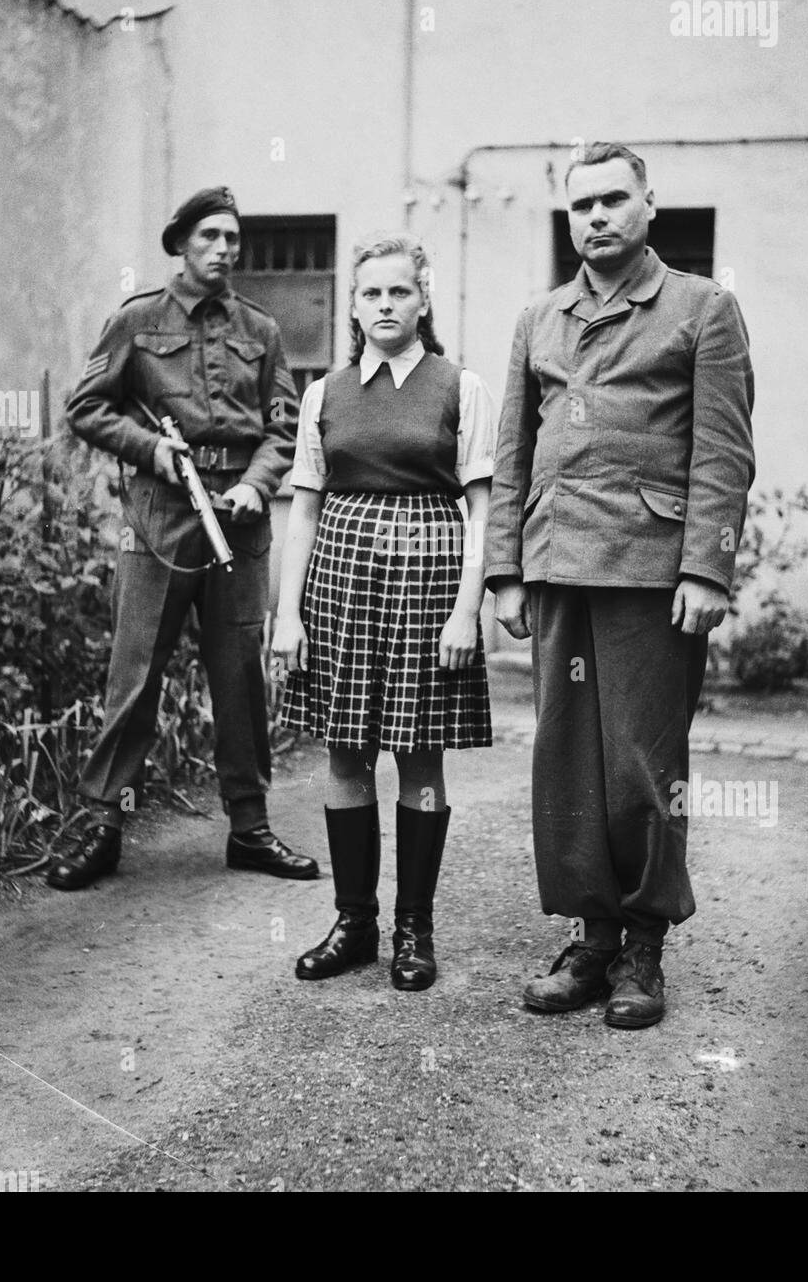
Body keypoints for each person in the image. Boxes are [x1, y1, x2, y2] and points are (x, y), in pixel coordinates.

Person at [485, 143, 754, 1029]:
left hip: (649, 569)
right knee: (566, 761)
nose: (596, 217)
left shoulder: (702, 308)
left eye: (612, 199)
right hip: (557, 562)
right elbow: (514, 451)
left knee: (643, 763)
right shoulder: (540, 317)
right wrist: (504, 571)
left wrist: (707, 567)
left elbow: (723, 452)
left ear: (649, 205)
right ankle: (592, 938)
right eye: (581, 205)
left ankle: (643, 946)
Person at [48, 186, 319, 889]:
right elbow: (86, 407)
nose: (224, 249)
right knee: (135, 675)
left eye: (232, 237)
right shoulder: (137, 320)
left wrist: (258, 483)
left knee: (241, 679)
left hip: (239, 518)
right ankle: (102, 826)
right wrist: (151, 449)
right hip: (161, 517)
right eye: (209, 236)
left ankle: (250, 829)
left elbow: (284, 424)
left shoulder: (261, 329)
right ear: (181, 244)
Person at [272, 232, 495, 991]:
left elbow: (481, 508)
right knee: (346, 751)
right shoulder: (324, 394)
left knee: (419, 754)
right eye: (371, 293)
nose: (386, 304)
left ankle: (414, 931)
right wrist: (288, 616)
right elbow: (303, 512)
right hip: (340, 583)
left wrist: (467, 610)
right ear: (355, 306)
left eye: (400, 291)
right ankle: (354, 924)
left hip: (428, 583)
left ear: (423, 301)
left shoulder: (460, 387)